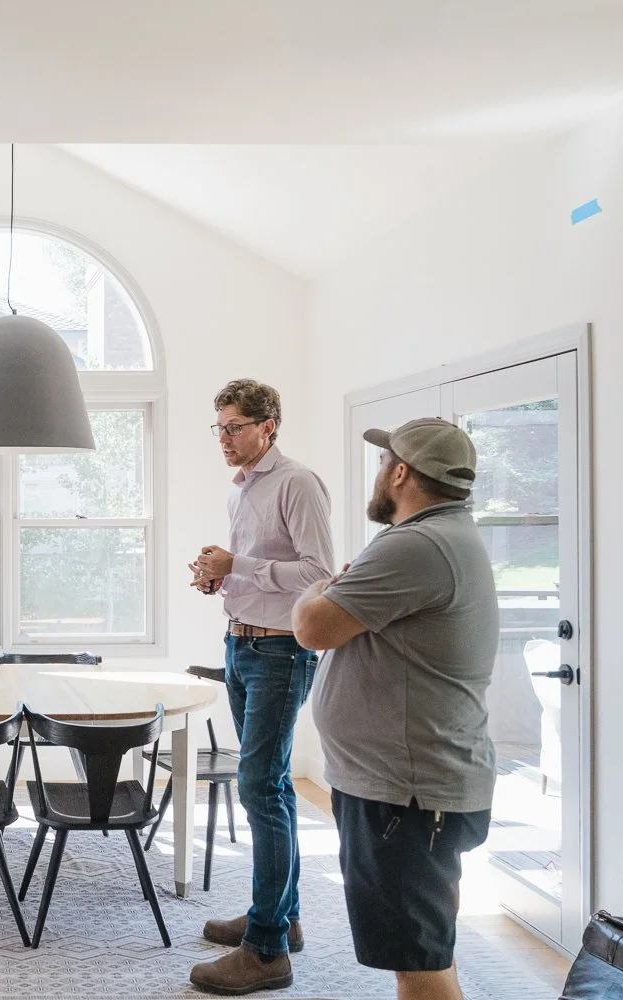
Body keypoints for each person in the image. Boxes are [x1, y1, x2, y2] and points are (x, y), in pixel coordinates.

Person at [291, 418, 498, 1000]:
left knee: (419, 964)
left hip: (406, 795)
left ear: (401, 472)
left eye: (384, 462)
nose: (378, 472)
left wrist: (318, 586)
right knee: (424, 949)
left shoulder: (419, 545)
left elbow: (313, 627)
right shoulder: (442, 534)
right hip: (408, 787)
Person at [189, 379, 333, 996]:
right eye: (218, 428)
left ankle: (267, 949)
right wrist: (216, 578)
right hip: (242, 644)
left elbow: (319, 572)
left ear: (268, 426)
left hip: (281, 650)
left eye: (235, 427)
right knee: (270, 784)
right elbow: (256, 569)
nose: (224, 439)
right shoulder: (243, 489)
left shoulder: (296, 482)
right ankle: (283, 917)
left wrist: (238, 566)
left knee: (259, 786)